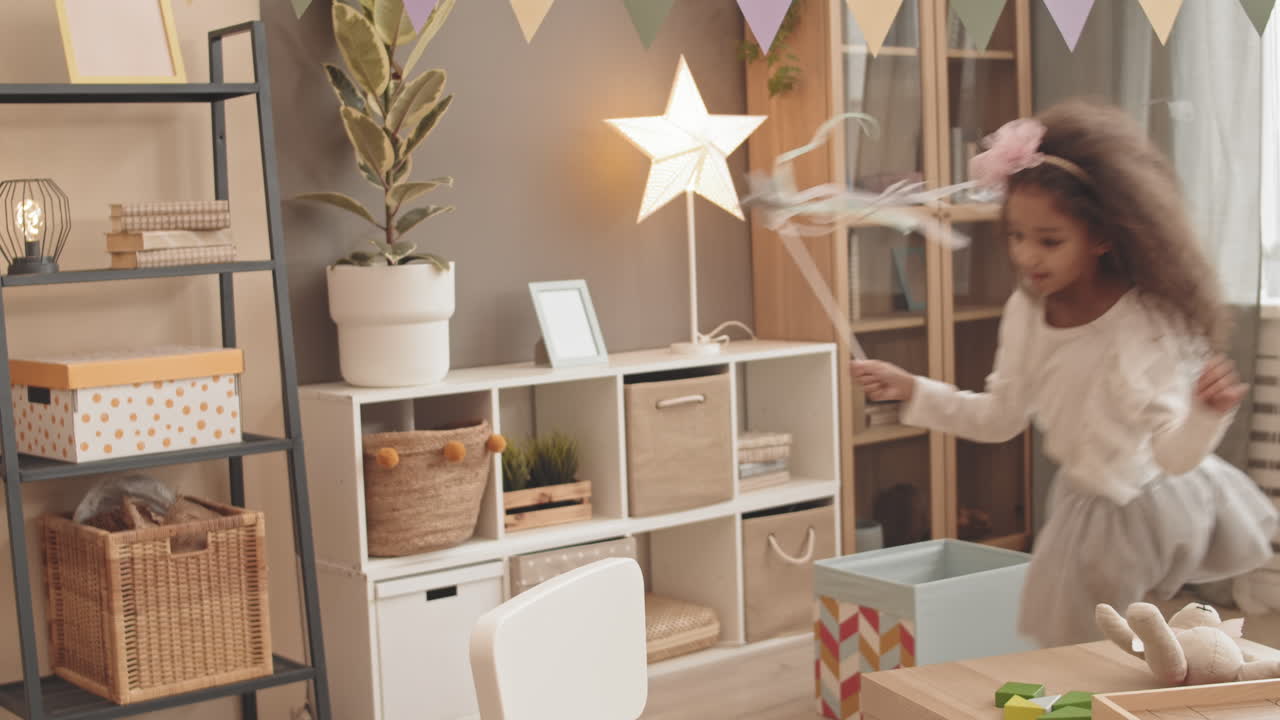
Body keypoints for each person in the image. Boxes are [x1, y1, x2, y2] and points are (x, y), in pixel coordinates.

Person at [850, 99, 1278, 649]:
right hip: (1083, 503)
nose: (1028, 256)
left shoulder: (1149, 324)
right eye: (1016, 236)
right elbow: (999, 418)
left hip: (1143, 500)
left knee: (1085, 647)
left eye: (1049, 240)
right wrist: (913, 389)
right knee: (1075, 643)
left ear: (1102, 236)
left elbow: (1173, 458)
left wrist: (1205, 415)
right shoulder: (1028, 309)